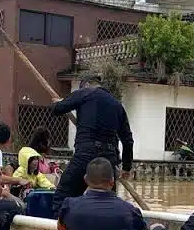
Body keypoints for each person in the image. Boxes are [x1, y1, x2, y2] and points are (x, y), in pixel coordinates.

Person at [51, 75, 134, 217]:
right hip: (108, 160)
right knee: (107, 204)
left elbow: (57, 109)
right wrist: (126, 167)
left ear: (86, 85)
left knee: (63, 197)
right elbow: (127, 140)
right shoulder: (117, 105)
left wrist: (58, 102)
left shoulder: (84, 93)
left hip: (86, 154)